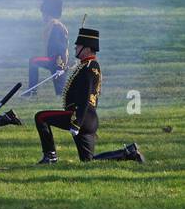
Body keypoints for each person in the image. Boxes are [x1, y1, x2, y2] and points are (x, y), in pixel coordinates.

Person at [35, 27, 144, 163]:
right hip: (89, 118)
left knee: (41, 117)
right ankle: (129, 153)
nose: (75, 48)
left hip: (80, 116)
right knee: (89, 162)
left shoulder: (88, 67)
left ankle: (50, 156)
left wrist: (76, 122)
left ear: (86, 49)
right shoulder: (88, 65)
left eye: (78, 46)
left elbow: (85, 96)